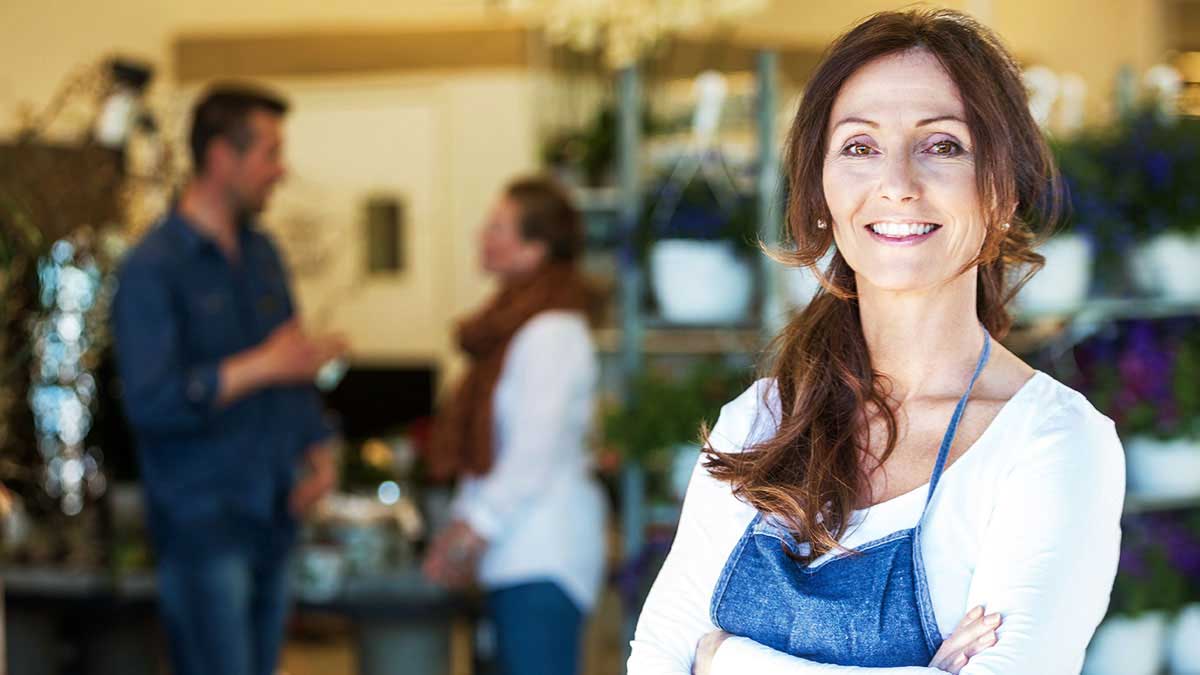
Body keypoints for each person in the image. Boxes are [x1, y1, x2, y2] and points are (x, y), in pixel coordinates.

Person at [628, 9, 1124, 675]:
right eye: (860, 147)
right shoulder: (759, 420)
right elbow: (656, 661)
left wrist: (730, 657)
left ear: (1002, 190)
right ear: (822, 190)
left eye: (942, 145)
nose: (896, 182)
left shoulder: (1053, 443)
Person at [112, 84, 346, 675]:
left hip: (273, 509)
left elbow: (289, 363)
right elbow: (151, 400)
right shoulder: (153, 268)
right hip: (202, 521)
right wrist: (263, 364)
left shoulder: (263, 254)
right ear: (222, 157)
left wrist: (318, 446)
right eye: (269, 153)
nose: (280, 171)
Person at [422, 176, 608, 675]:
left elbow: (533, 450)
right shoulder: (516, 325)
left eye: (498, 227)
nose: (482, 235)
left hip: (542, 556)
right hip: (515, 554)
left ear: (536, 247)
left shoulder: (551, 332)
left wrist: (469, 531)